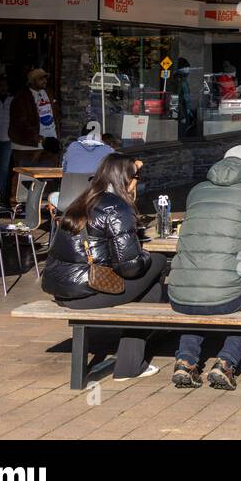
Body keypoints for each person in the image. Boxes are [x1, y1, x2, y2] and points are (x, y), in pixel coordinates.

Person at [41, 154, 167, 381]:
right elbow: (131, 268)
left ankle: (131, 362)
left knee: (150, 290)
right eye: (136, 176)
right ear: (125, 178)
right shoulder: (117, 207)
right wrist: (145, 254)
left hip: (61, 288)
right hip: (89, 290)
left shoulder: (81, 200)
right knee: (157, 266)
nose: (138, 181)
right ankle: (130, 364)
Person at [168, 145, 241, 391]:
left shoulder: (197, 191)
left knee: (198, 303)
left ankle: (186, 360)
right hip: (226, 295)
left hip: (179, 294)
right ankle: (226, 362)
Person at [10, 68, 59, 168]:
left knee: (47, 178)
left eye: (45, 78)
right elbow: (20, 124)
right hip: (27, 147)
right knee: (25, 178)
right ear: (32, 81)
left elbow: (55, 115)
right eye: (41, 78)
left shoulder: (48, 93)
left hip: (49, 145)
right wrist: (40, 139)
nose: (45, 81)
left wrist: (55, 137)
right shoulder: (21, 98)